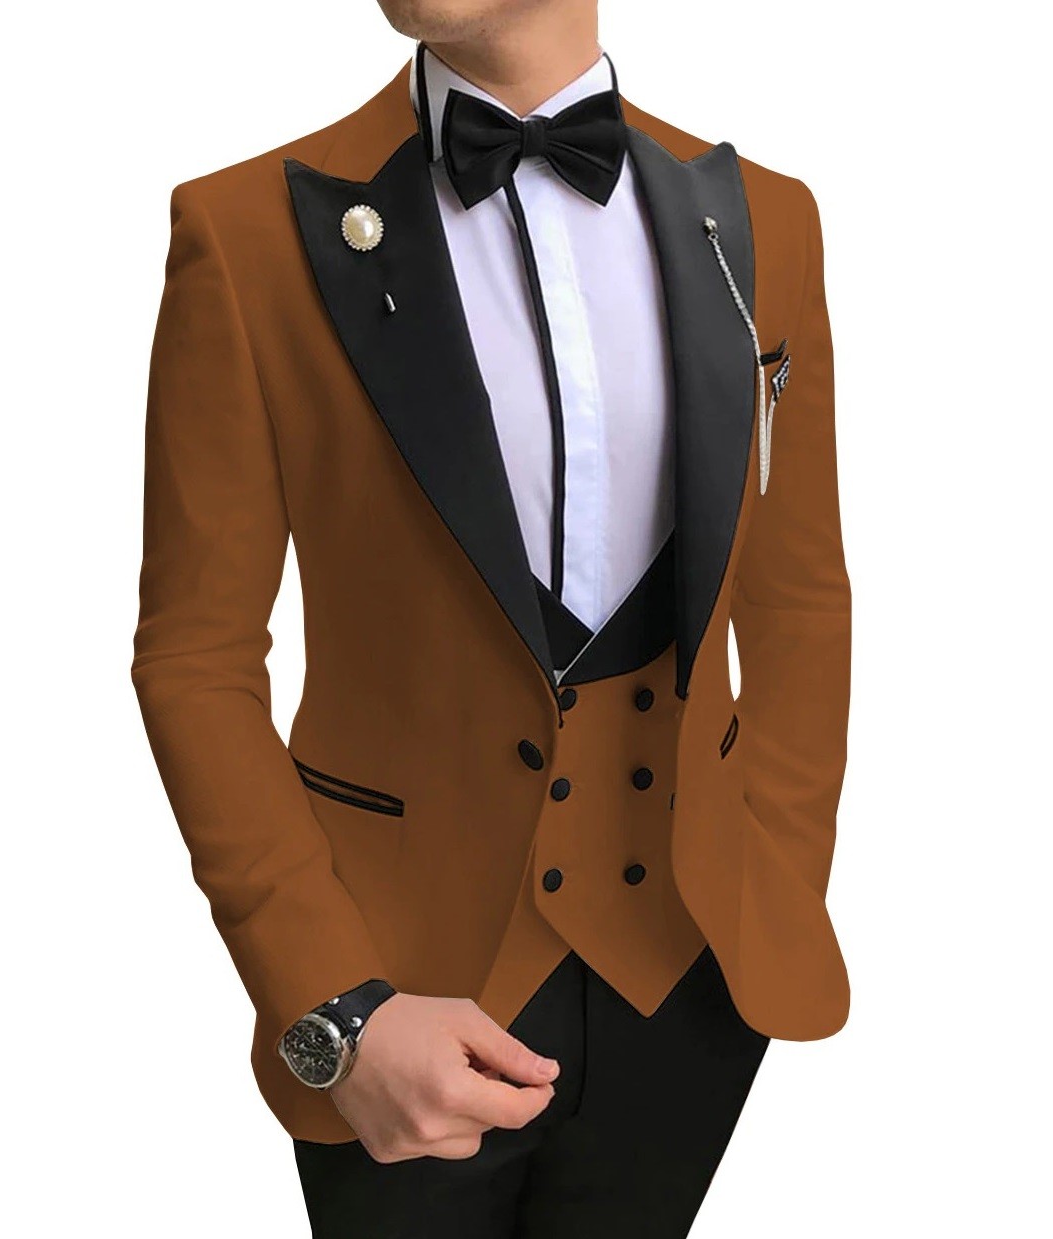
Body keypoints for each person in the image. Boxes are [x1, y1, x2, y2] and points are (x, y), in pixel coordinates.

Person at [132, 0, 852, 1233]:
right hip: (397, 996)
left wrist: (771, 882)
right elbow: (195, 657)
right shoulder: (247, 232)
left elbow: (798, 601)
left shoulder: (763, 218)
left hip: (689, 977)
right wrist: (333, 1004)